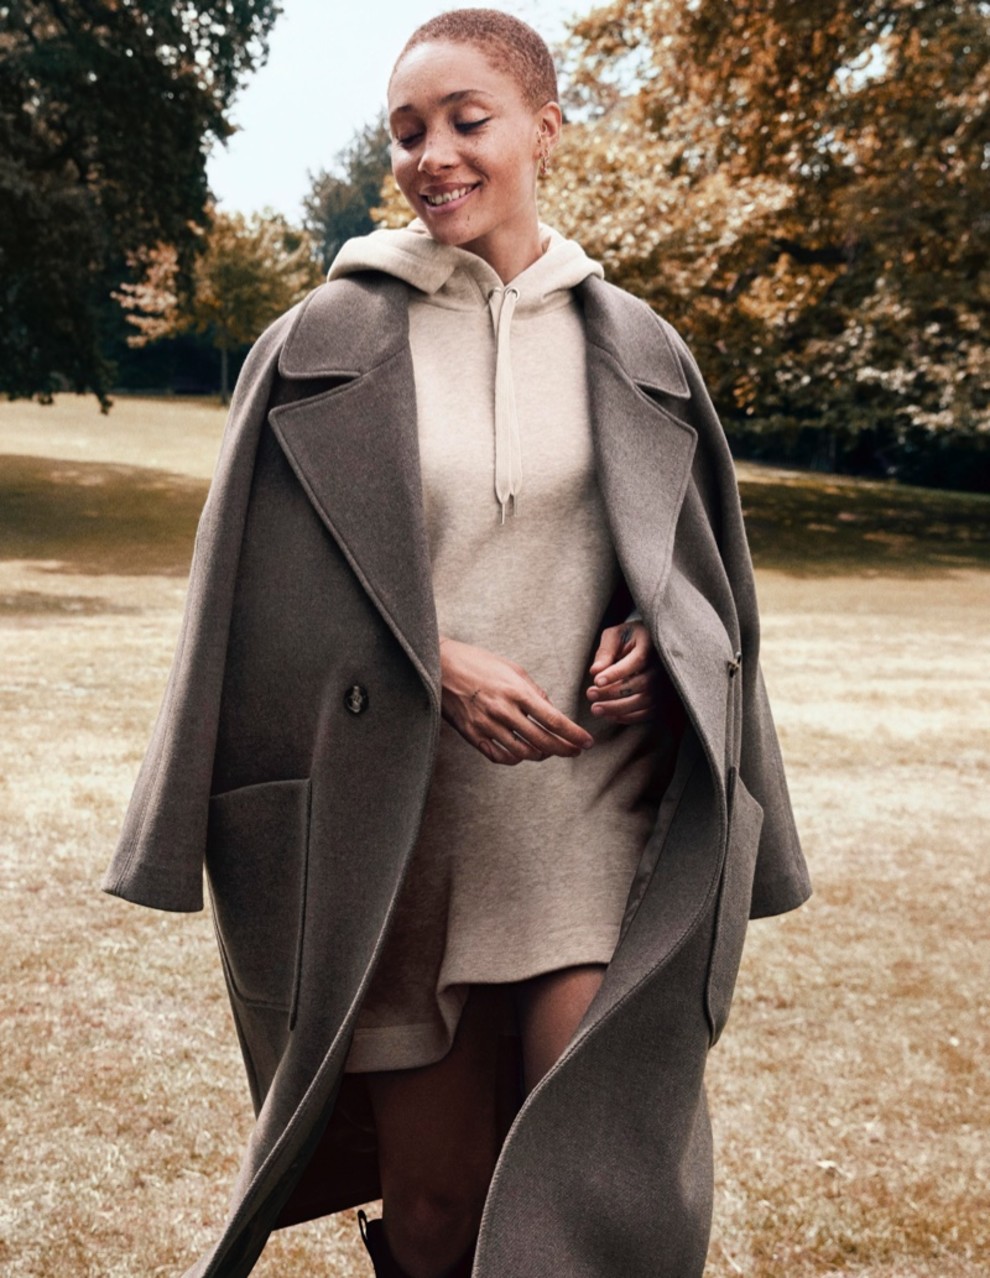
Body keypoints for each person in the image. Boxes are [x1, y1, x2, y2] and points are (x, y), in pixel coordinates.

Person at [102, 9, 811, 1278]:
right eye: (407, 131)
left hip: (589, 815)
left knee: (597, 1172)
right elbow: (251, 604)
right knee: (434, 1211)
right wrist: (435, 663)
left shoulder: (639, 346)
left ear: (545, 128)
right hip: (400, 835)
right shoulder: (318, 343)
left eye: (465, 121)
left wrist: (658, 643)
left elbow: (704, 582)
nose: (431, 154)